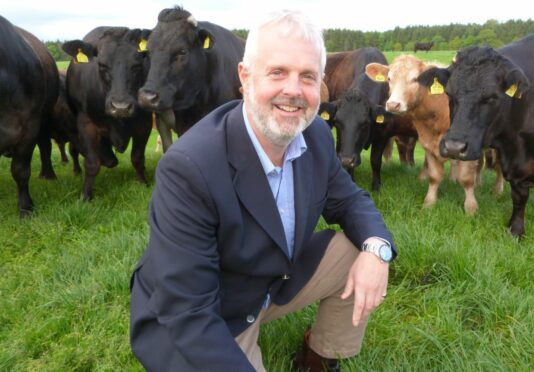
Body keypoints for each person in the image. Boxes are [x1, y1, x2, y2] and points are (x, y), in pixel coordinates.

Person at [130, 9, 396, 372]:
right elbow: (188, 311)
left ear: (320, 85)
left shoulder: (315, 134)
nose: (293, 91)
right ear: (245, 77)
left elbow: (350, 201)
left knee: (359, 247)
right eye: (277, 72)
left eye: (307, 76)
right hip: (214, 312)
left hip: (271, 280)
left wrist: (378, 251)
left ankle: (318, 357)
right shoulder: (188, 167)